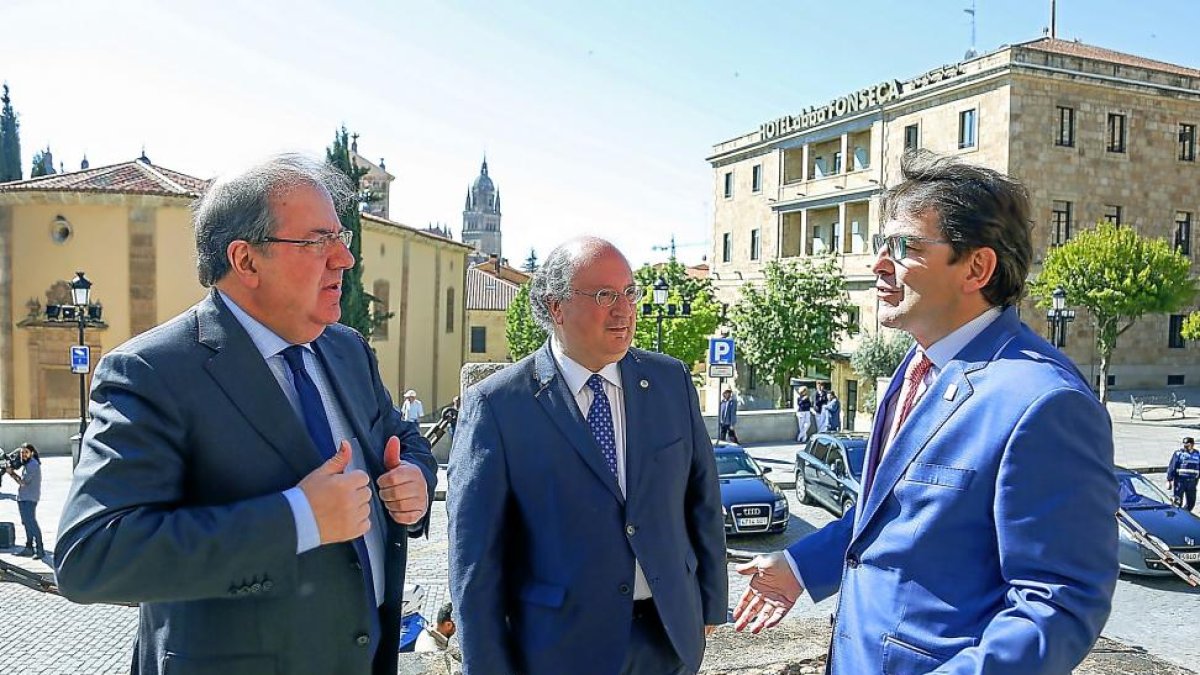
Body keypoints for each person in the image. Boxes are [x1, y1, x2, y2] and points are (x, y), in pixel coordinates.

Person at [732, 151, 1117, 674]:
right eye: (877, 246)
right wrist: (802, 565)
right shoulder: (917, 363)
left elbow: (1058, 604)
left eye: (903, 247)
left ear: (977, 267)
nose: (878, 265)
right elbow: (899, 514)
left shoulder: (1046, 402)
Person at [53, 154, 438, 675]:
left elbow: (400, 437)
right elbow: (94, 557)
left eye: (341, 237)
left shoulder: (347, 350)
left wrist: (412, 476)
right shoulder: (152, 371)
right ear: (246, 260)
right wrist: (299, 518)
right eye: (318, 241)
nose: (345, 259)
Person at [448, 237, 727, 675]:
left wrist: (711, 603)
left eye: (629, 292)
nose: (624, 309)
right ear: (555, 307)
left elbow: (702, 498)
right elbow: (475, 562)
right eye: (604, 296)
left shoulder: (670, 381)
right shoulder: (499, 406)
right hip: (560, 648)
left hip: (669, 636)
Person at [5, 443, 43, 558]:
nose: (23, 455)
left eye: (26, 452)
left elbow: (23, 482)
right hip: (23, 497)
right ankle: (29, 547)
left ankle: (40, 549)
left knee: (31, 523)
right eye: (22, 453)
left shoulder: (32, 465)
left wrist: (11, 473)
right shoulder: (28, 464)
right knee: (26, 523)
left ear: (32, 453)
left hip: (29, 498)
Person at [1167, 436, 1199, 511]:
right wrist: (1169, 480)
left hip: (1192, 482)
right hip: (1180, 481)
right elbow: (1172, 466)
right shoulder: (1178, 453)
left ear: (1192, 444)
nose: (1185, 446)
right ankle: (1178, 516)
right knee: (1177, 502)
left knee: (1191, 502)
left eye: (1187, 445)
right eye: (1184, 444)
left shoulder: (1197, 454)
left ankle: (1185, 514)